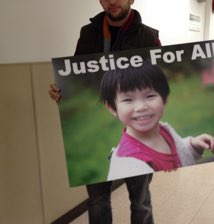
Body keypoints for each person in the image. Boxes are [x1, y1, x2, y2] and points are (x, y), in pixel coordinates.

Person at [49, 0, 161, 223]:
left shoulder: (148, 37)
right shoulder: (88, 33)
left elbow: (160, 84)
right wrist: (62, 91)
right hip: (95, 132)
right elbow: (77, 77)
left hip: (136, 134)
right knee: (97, 202)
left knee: (141, 202)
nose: (112, 1)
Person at [99, 61, 214, 180]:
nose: (141, 107)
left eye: (150, 96)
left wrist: (193, 146)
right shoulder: (129, 166)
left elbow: (179, 156)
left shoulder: (163, 129)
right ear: (112, 108)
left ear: (164, 99)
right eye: (128, 100)